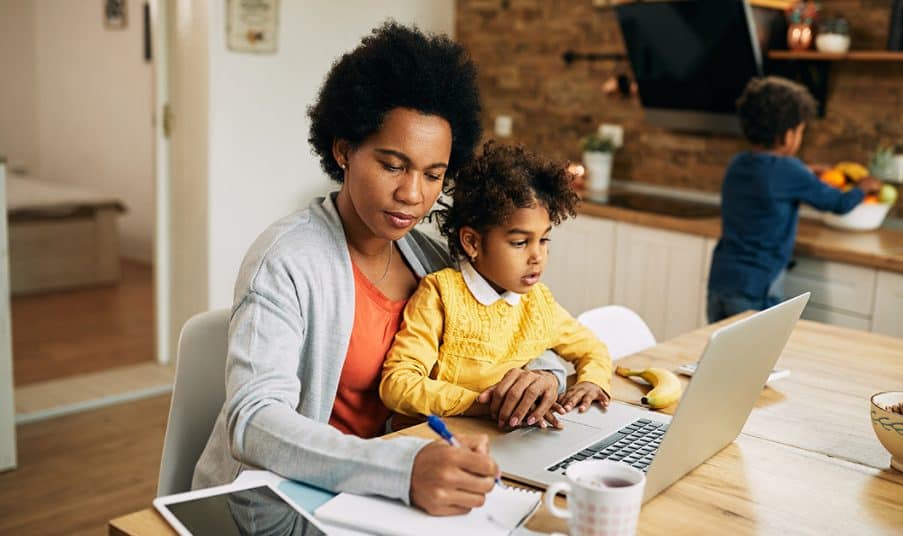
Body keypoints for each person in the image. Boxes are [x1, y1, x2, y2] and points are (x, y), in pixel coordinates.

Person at [192, 22, 567, 516]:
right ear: (344, 150)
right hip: (282, 507)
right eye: (393, 165)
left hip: (392, 498)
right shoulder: (286, 259)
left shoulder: (432, 259)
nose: (413, 194)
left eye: (433, 175)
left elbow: (525, 328)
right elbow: (254, 419)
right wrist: (399, 468)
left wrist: (544, 376)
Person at [380, 142, 614, 427]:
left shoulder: (539, 304)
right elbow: (397, 385)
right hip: (433, 439)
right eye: (519, 243)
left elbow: (593, 349)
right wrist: (486, 404)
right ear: (472, 242)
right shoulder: (441, 294)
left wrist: (592, 382)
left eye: (544, 240)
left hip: (500, 435)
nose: (537, 256)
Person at [707, 76, 881, 323]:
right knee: (756, 358)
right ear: (788, 136)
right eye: (800, 131)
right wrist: (862, 188)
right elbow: (838, 204)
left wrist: (806, 172)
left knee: (722, 356)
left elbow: (769, 177)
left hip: (720, 282)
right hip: (757, 288)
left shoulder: (738, 164)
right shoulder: (790, 171)